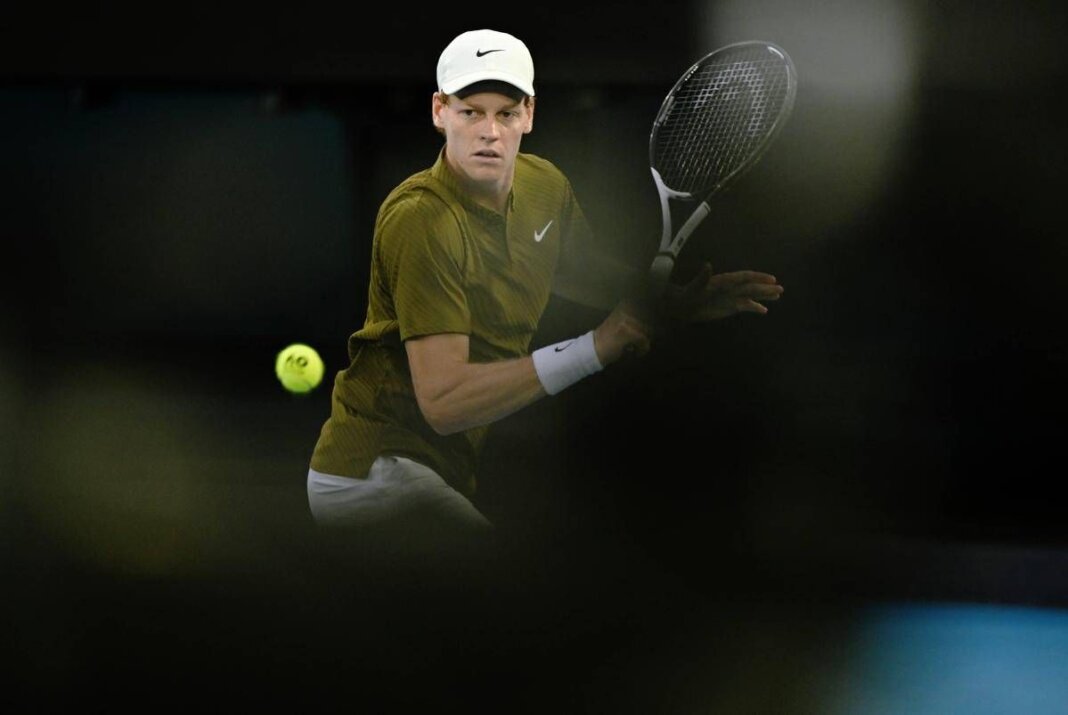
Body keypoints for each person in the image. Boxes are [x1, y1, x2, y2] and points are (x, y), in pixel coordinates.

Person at [305, 28, 783, 560]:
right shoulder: (421, 220)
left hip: (436, 469)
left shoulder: (544, 186)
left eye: (506, 113)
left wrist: (664, 302)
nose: (490, 132)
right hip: (373, 474)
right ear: (440, 111)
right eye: (470, 112)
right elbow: (444, 402)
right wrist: (594, 348)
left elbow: (571, 268)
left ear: (529, 115)